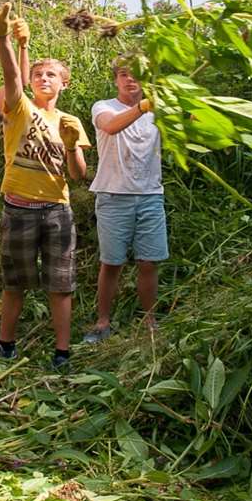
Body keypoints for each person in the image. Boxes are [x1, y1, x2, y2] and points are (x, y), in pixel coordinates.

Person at [0, 0, 89, 371]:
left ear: (64, 84)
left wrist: (71, 146)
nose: (44, 79)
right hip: (19, 208)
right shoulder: (20, 108)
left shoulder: (69, 120)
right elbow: (10, 77)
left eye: (52, 75)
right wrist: (6, 39)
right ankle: (6, 343)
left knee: (60, 284)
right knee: (14, 283)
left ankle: (62, 351)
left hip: (57, 211)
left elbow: (79, 175)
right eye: (38, 75)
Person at [82, 57, 167, 343]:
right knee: (112, 262)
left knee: (149, 262)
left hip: (150, 195)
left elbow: (193, 125)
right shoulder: (104, 107)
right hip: (113, 195)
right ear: (116, 80)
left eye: (137, 75)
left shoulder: (160, 112)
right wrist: (144, 106)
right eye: (123, 74)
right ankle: (103, 320)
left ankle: (150, 321)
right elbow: (110, 127)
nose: (130, 79)